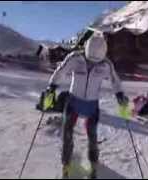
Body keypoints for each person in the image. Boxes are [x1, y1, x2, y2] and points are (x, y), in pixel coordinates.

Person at [44, 32, 128, 178]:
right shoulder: (75, 58)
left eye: (96, 62)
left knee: (92, 137)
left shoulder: (106, 64)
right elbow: (61, 71)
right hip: (73, 102)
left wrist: (120, 95)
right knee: (67, 134)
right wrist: (51, 88)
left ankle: (93, 166)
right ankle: (66, 166)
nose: (93, 64)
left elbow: (115, 81)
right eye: (90, 61)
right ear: (86, 50)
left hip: (91, 106)